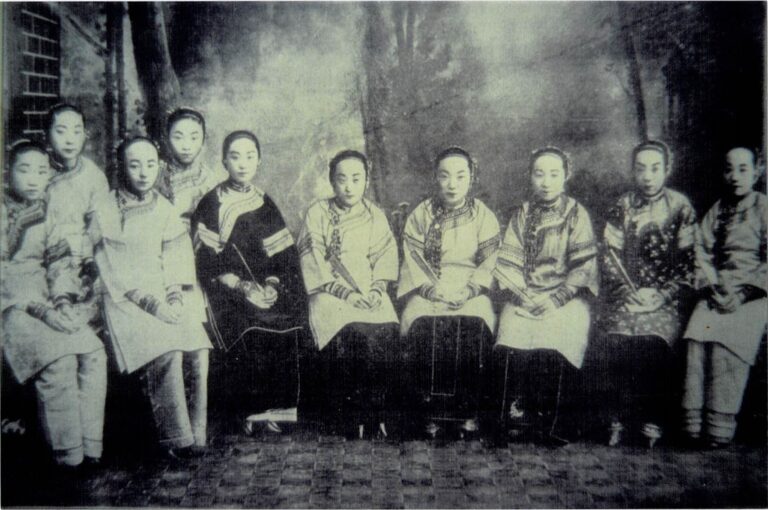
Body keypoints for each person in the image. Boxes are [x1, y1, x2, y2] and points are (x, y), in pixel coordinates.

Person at [95, 137, 212, 459]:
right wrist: (156, 306)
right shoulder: (106, 208)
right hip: (123, 299)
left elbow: (175, 254)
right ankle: (175, 438)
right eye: (134, 165)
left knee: (197, 344)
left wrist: (174, 297)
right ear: (121, 166)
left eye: (150, 164)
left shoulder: (163, 205)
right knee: (168, 348)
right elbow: (113, 269)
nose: (143, 172)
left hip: (162, 290)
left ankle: (196, 432)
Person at [191, 131, 307, 433]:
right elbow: (207, 262)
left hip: (263, 283)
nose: (243, 164)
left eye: (250, 156)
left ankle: (279, 407)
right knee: (250, 321)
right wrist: (243, 288)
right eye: (235, 156)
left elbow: (282, 255)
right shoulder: (210, 203)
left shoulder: (263, 201)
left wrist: (271, 285)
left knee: (289, 315)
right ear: (224, 161)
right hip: (223, 286)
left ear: (259, 160)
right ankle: (250, 410)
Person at [1, 140, 106, 469]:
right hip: (10, 306)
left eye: (41, 171)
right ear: (8, 172)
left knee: (93, 352)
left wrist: (62, 302)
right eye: (24, 169)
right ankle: (66, 456)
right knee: (58, 360)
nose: (33, 178)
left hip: (47, 298)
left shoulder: (50, 210)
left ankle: (90, 448)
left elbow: (59, 264)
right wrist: (39, 310)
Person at [491, 147, 598, 446]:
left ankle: (550, 423)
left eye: (554, 174)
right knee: (511, 334)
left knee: (560, 334)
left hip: (565, 296)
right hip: (525, 294)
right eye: (539, 174)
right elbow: (507, 262)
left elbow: (583, 267)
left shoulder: (577, 214)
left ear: (566, 176)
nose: (546, 182)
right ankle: (514, 418)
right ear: (530, 177)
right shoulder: (522, 215)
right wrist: (523, 295)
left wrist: (555, 299)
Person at [593, 140, 696, 447]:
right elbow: (609, 258)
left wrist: (662, 295)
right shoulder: (622, 206)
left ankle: (652, 420)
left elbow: (689, 265)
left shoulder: (681, 208)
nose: (648, 176)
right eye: (641, 169)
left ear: (667, 169)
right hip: (629, 297)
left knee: (654, 341)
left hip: (666, 300)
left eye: (655, 169)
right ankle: (618, 419)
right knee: (615, 338)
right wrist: (628, 292)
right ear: (633, 171)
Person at [397, 146, 501, 438]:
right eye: (445, 176)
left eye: (460, 176)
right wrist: (433, 291)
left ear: (471, 178)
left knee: (476, 323)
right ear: (435, 178)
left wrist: (468, 291)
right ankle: (430, 412)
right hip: (430, 287)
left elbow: (490, 262)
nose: (452, 184)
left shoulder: (483, 215)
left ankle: (466, 411)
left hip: (470, 288)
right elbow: (413, 259)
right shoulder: (421, 214)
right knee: (418, 321)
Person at [297, 150, 399, 438]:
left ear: (366, 181)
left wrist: (379, 289)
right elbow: (313, 260)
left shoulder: (374, 214)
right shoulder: (317, 212)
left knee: (386, 329)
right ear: (331, 181)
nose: (349, 186)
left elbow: (385, 257)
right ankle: (349, 417)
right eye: (342, 179)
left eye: (356, 179)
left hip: (369, 288)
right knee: (353, 331)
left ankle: (376, 416)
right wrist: (348, 295)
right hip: (328, 290)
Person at [681, 146, 767, 448]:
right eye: (729, 169)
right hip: (719, 290)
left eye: (743, 169)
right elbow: (700, 250)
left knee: (725, 341)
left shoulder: (764, 208)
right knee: (696, 335)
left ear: (758, 172)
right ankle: (694, 423)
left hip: (755, 294)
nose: (735, 176)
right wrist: (712, 286)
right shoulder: (718, 209)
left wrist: (743, 293)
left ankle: (720, 425)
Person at [157, 107, 221, 230]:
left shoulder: (209, 181)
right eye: (178, 137)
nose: (186, 146)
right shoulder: (155, 172)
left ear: (203, 140)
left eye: (194, 138)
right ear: (167, 139)